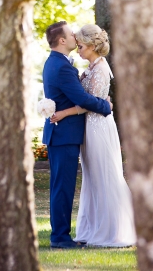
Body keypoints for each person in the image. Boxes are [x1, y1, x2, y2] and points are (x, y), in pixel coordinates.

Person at [50, 24, 136, 247]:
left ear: (90, 46)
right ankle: (94, 227)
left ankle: (112, 230)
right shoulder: (87, 68)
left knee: (105, 176)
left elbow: (88, 104)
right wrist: (103, 104)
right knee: (92, 179)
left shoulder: (99, 69)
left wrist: (66, 112)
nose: (78, 49)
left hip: (98, 128)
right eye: (76, 44)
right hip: (87, 129)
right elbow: (86, 99)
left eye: (80, 46)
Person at [42, 21, 112, 249]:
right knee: (63, 187)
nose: (75, 36)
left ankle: (61, 234)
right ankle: (60, 238)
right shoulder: (62, 66)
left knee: (61, 186)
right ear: (62, 41)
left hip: (62, 134)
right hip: (64, 135)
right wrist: (106, 107)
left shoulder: (56, 63)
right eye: (71, 34)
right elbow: (81, 98)